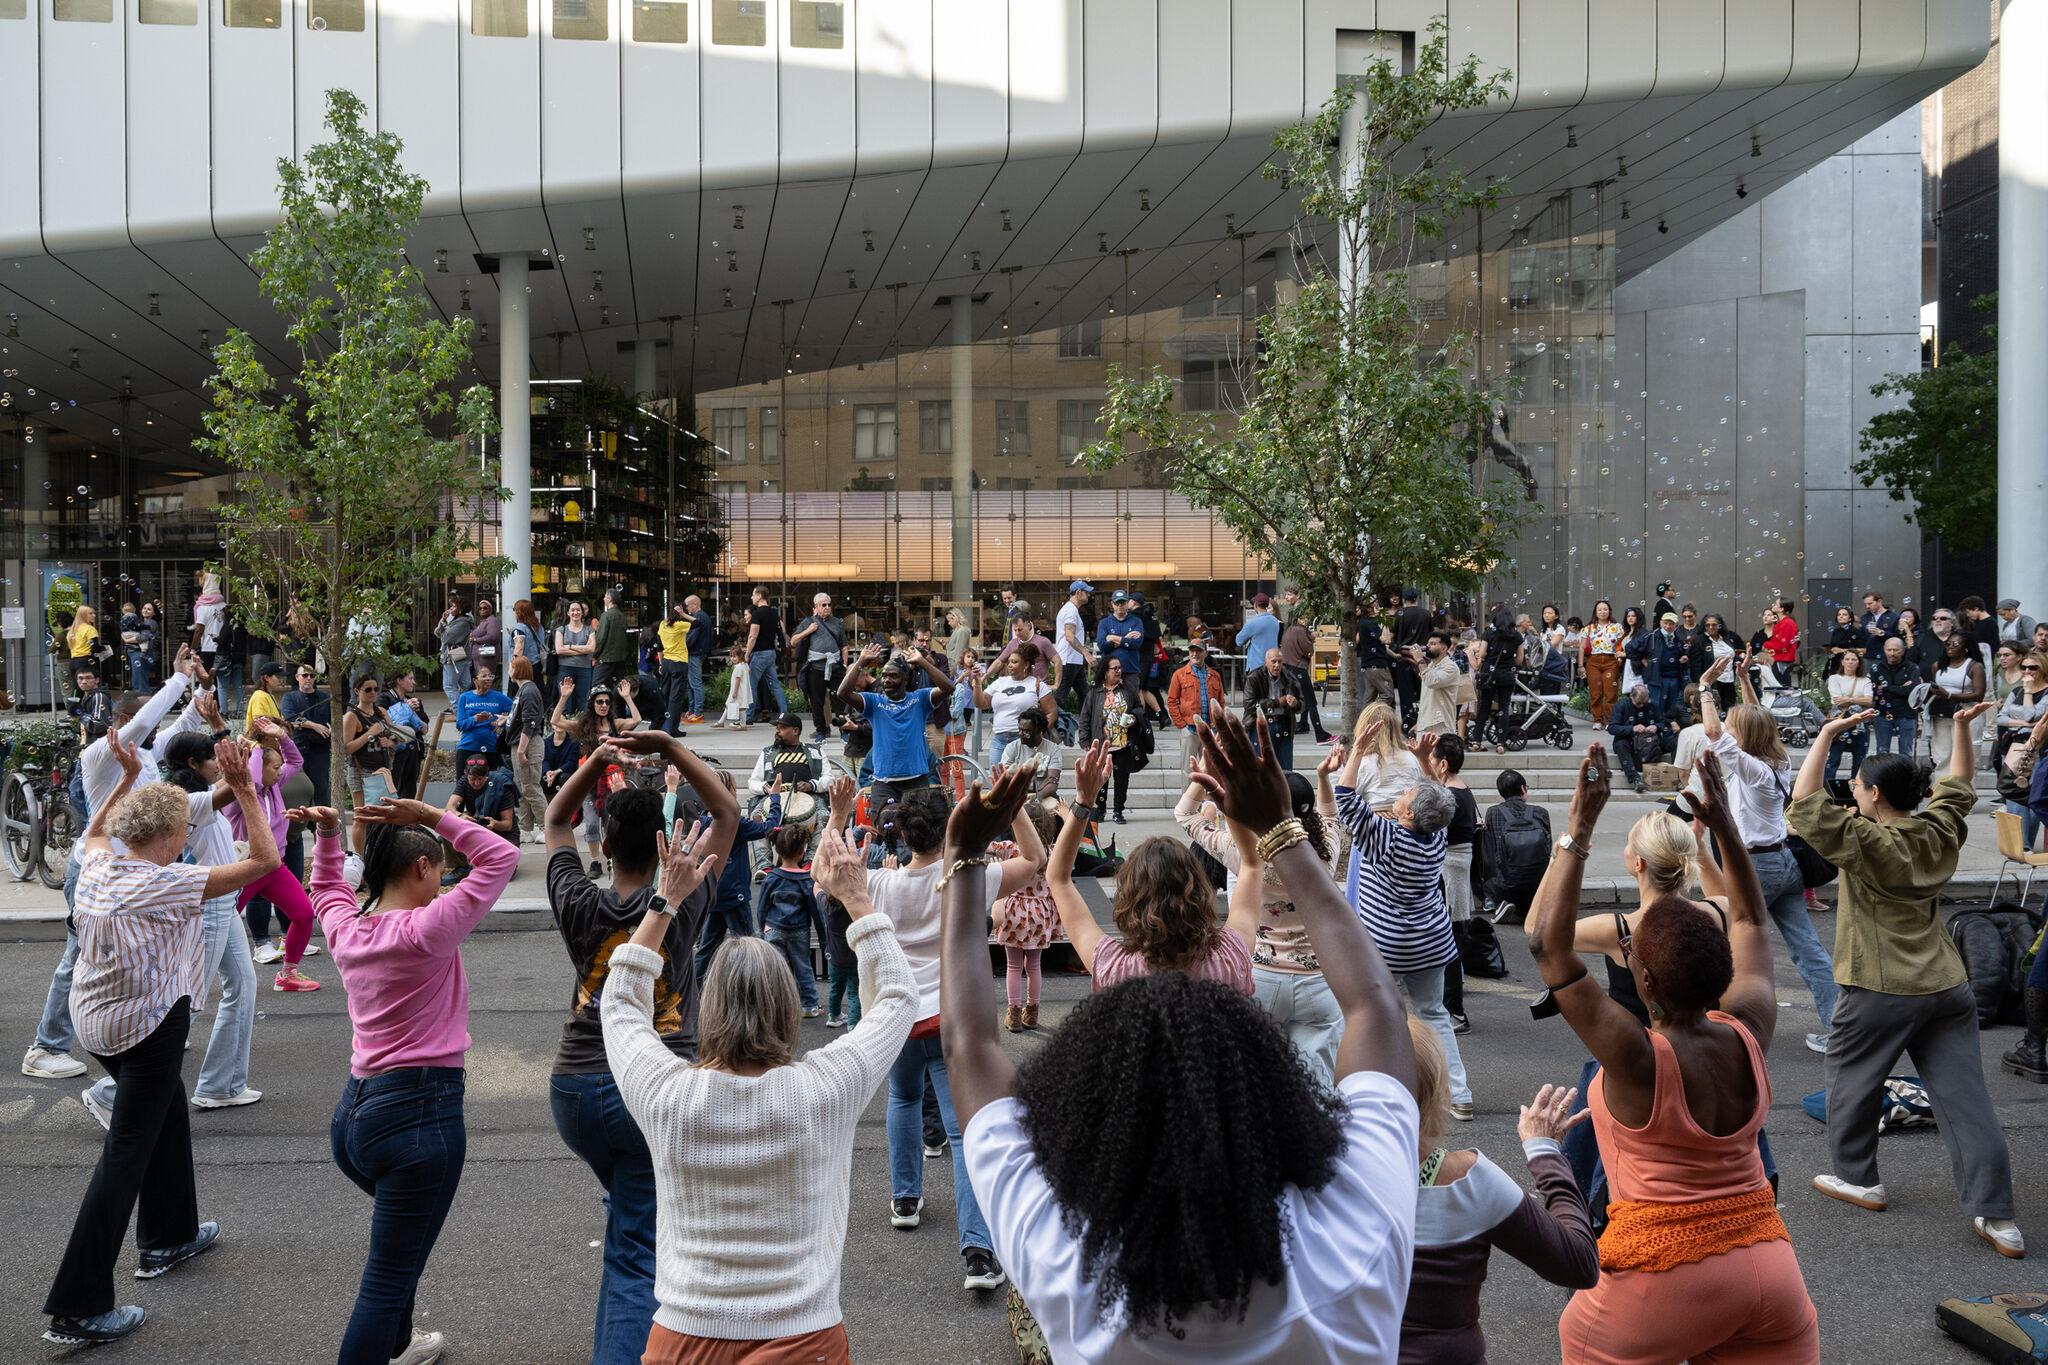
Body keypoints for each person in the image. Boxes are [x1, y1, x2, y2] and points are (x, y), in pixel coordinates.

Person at [942, 718, 1424, 1359]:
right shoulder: (1358, 1230)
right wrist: (1273, 825)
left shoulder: (1062, 1259)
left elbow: (971, 1043)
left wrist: (969, 857)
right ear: (1261, 1065)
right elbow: (1377, 1009)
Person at [1525, 744, 1819, 1361]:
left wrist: (1578, 827)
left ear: (1646, 985)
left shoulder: (1636, 1059)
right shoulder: (1749, 1030)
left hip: (1664, 1279)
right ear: (1723, 975)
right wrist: (1723, 824)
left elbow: (1547, 946)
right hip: (1770, 1271)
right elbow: (1751, 918)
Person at [600, 823, 914, 1365]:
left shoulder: (666, 1095)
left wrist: (666, 901)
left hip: (682, 1336)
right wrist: (856, 898)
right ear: (788, 1008)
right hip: (803, 1336)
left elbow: (621, 1001)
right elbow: (898, 999)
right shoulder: (824, 1088)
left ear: (710, 1006)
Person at [42, 731, 278, 1348]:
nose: (187, 840)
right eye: (183, 832)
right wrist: (248, 791)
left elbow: (96, 827)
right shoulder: (163, 880)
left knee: (168, 1112)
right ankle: (79, 1305)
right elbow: (264, 863)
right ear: (171, 839)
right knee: (126, 1154)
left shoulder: (98, 862)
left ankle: (169, 1236)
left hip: (98, 1024)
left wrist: (123, 778)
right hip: (146, 1027)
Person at [1789, 699, 2025, 1259]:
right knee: (1967, 1101)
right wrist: (1964, 728)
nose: (1854, 791)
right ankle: (1998, 1218)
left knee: (1850, 1080)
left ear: (1873, 796)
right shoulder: (1937, 830)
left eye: (1860, 786)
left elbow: (1804, 801)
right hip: (1946, 984)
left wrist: (1824, 733)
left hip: (1878, 985)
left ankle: (1858, 1177)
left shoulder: (1865, 840)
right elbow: (1960, 782)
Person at [542, 729, 736, 1365]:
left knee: (627, 1220)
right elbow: (727, 813)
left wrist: (595, 759)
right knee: (636, 1258)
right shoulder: (683, 898)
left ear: (603, 843)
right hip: (649, 1089)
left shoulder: (576, 899)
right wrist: (674, 750)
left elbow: (554, 818)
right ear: (663, 844)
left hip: (574, 1090)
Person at [309, 792, 518, 1365]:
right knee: (386, 1277)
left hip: (355, 1119)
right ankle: (385, 1345)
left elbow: (326, 891)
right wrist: (430, 816)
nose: (446, 886)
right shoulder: (429, 929)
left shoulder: (350, 931)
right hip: (419, 1120)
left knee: (399, 1259)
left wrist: (329, 837)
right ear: (422, 867)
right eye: (441, 873)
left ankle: (398, 1347)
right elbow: (500, 857)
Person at [824, 776, 1045, 1294]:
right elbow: (1035, 859)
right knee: (967, 1131)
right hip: (952, 1016)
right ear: (948, 825)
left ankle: (905, 1199)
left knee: (902, 1098)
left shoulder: (877, 883)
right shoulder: (973, 877)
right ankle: (977, 1250)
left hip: (894, 1013)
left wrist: (836, 817)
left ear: (901, 833)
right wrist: (1011, 807)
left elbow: (822, 874)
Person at [1400, 1017, 1599, 1365]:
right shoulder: (1468, 1181)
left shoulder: (1307, 1177)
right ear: (1439, 1093)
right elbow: (1578, 1264)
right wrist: (1544, 1153)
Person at [1177, 740, 1350, 1081]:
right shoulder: (1325, 853)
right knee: (1318, 1081)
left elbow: (1185, 815)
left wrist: (1204, 777)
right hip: (1318, 981)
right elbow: (1331, 816)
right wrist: (1324, 777)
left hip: (1262, 977)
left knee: (1258, 1076)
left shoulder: (1244, 855)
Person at [1697, 656, 1836, 1053]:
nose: (1726, 729)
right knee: (1808, 949)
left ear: (1742, 735)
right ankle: (1839, 1029)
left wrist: (1707, 685)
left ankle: (1718, 1027)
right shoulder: (1777, 760)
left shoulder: (1751, 769)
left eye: (1732, 727)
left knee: (1727, 943)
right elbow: (1758, 718)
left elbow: (1711, 731)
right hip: (1784, 864)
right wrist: (1743, 679)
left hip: (1756, 868)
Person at [1336, 727, 1471, 1120]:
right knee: (1434, 1015)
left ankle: (1385, 1093)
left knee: (1383, 1017)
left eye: (1406, 795)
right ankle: (1457, 1094)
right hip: (1432, 942)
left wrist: (1358, 751)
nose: (1400, 795)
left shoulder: (1387, 838)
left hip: (1385, 945)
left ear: (1409, 814)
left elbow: (1345, 799)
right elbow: (1441, 802)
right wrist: (1428, 764)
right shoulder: (1436, 835)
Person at [1054, 740, 1258, 990]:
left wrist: (1084, 803)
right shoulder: (1228, 958)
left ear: (1130, 899)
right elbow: (1251, 864)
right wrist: (1220, 792)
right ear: (1200, 893)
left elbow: (1058, 879)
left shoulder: (1113, 967)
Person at [225, 717, 322, 993]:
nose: (281, 772)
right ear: (260, 766)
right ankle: (190, 978)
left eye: (280, 767)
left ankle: (288, 974)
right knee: (222, 925)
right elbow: (253, 780)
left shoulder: (273, 788)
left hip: (273, 867)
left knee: (303, 915)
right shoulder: (241, 795)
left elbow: (296, 763)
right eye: (275, 768)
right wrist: (256, 748)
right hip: (245, 869)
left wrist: (282, 736)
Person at [836, 639, 953, 810]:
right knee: (885, 830)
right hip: (884, 783)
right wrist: (861, 661)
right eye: (884, 676)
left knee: (916, 831)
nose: (886, 680)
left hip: (916, 780)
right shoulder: (873, 702)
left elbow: (948, 687)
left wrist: (921, 661)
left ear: (905, 679)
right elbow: (843, 692)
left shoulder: (919, 699)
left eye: (893, 675)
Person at [691, 770, 782, 981]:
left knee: (707, 947)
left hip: (712, 892)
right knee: (747, 943)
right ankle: (753, 984)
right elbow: (772, 826)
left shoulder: (703, 818)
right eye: (733, 788)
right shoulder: (736, 823)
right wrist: (775, 797)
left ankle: (694, 990)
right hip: (734, 895)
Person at [992, 802, 1062, 1031]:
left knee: (1013, 965)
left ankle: (1013, 1013)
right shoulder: (1052, 852)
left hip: (1013, 910)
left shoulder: (1010, 848)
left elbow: (982, 845)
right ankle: (1032, 1012)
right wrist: (1068, 815)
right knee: (1034, 965)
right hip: (1041, 913)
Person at [759, 822, 830, 1016]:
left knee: (776, 971)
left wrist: (761, 929)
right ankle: (809, 1005)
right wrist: (824, 940)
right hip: (799, 931)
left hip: (773, 929)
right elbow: (816, 913)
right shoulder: (807, 880)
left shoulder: (771, 877)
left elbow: (762, 907)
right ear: (802, 852)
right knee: (803, 968)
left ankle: (775, 1007)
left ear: (777, 850)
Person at [1077, 657, 1148, 823]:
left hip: (1123, 743)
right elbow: (1085, 716)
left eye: (1120, 667)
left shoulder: (1127, 689)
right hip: (1101, 744)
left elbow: (1139, 708)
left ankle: (1118, 811)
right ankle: (1100, 809)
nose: (1118, 671)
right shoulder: (1094, 691)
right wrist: (1085, 740)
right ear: (1105, 672)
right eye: (1114, 668)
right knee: (1100, 780)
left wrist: (1134, 718)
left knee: (1122, 779)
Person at [971, 642, 1056, 776]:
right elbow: (981, 703)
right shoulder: (1000, 682)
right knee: (998, 783)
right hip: (998, 741)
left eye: (1014, 662)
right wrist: (977, 683)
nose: (1009, 665)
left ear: (1026, 665)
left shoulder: (1036, 684)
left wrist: (1039, 735)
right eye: (1009, 661)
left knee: (1022, 784)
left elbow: (1051, 712)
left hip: (1024, 742)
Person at [1480, 770, 1552, 925]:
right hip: (1538, 884)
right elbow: (1548, 849)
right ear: (1523, 789)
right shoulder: (1541, 812)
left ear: (1501, 793)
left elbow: (1493, 852)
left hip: (1507, 885)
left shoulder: (1493, 812)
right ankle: (1535, 907)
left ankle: (1498, 903)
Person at [340, 675, 399, 856]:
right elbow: (346, 748)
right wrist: (369, 734)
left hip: (382, 770)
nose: (373, 693)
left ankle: (381, 854)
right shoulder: (352, 716)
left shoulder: (381, 712)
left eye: (375, 689)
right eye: (368, 689)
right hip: (361, 771)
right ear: (357, 691)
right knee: (361, 817)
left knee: (386, 813)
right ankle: (361, 859)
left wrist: (390, 742)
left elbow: (395, 736)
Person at [1997, 653, 2048, 849]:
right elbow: (2001, 718)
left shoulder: (2043, 692)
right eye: (2024, 667)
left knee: (2034, 794)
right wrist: (2026, 722)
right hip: (2015, 746)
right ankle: (2019, 844)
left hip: (2039, 747)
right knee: (2013, 791)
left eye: (2032, 668)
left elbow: (2030, 714)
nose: (2027, 671)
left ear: (2042, 668)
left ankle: (2025, 843)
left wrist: (2028, 693)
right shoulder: (2015, 691)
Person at [1344, 700, 1423, 811]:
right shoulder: (1412, 758)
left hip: (1376, 821)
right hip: (1410, 819)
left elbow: (1345, 797)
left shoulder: (1363, 762)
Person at [790, 593, 849, 741]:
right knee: (817, 701)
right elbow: (793, 641)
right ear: (816, 607)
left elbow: (844, 646)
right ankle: (821, 731)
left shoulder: (836, 623)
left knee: (840, 699)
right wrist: (808, 630)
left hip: (835, 666)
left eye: (829, 605)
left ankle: (844, 731)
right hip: (815, 667)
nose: (827, 607)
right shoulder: (808, 622)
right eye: (824, 605)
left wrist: (845, 664)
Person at [505, 657, 550, 845]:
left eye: (511, 666)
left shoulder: (529, 690)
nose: (508, 670)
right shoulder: (522, 690)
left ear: (517, 670)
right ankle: (525, 829)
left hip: (527, 745)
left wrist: (522, 751)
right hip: (519, 744)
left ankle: (547, 827)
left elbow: (530, 724)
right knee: (523, 788)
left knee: (531, 787)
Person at [1929, 632, 1988, 768]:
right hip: (1942, 713)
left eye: (1955, 644)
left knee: (1967, 755)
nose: (1950, 647)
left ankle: (1965, 786)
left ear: (1966, 648)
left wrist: (1950, 695)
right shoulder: (1937, 666)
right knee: (1941, 755)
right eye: (1947, 644)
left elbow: (1979, 695)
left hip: (1966, 713)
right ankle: (1942, 786)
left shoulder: (1974, 667)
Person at [280, 662, 334, 807]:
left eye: (312, 675)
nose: (308, 678)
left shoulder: (325, 698)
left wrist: (327, 730)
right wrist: (315, 726)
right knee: (297, 793)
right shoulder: (289, 698)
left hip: (320, 752)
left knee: (321, 791)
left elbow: (334, 721)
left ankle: (322, 826)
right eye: (305, 675)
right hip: (298, 751)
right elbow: (290, 719)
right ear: (297, 677)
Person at [1606, 682, 1675, 793]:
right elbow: (1612, 728)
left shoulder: (1653, 705)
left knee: (1675, 742)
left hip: (1651, 741)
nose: (1642, 706)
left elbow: (1662, 723)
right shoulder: (1621, 706)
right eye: (1638, 703)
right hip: (1629, 740)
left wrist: (1656, 727)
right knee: (1621, 745)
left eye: (1644, 703)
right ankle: (1635, 779)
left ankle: (1680, 776)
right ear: (1631, 696)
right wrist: (1632, 729)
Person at [1471, 607, 1522, 753]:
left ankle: (1476, 741)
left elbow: (1482, 653)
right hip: (1507, 674)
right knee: (1503, 708)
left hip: (1489, 674)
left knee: (1484, 707)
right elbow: (1519, 660)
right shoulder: (1517, 636)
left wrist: (1490, 656)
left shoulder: (1488, 633)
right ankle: (1500, 743)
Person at [1244, 646, 1301, 772]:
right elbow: (1249, 706)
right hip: (1261, 723)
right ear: (1266, 662)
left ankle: (1284, 791)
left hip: (1284, 724)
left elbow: (1302, 704)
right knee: (1260, 768)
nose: (1277, 665)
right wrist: (1276, 703)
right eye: (1273, 661)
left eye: (1280, 662)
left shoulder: (1289, 678)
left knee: (1285, 770)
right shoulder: (1254, 677)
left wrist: (1295, 703)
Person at [1166, 638, 1219, 771]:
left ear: (1205, 653)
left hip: (1209, 731)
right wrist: (1181, 725)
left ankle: (1207, 793)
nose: (1195, 654)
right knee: (1188, 771)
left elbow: (1220, 702)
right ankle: (1186, 793)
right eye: (1192, 651)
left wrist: (1217, 724)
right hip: (1189, 729)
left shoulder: (1215, 675)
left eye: (1198, 651)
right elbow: (1171, 701)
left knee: (1210, 770)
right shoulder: (1179, 675)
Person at [1824, 648, 1875, 785]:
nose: (1850, 662)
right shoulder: (1834, 678)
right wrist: (1858, 699)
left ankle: (1856, 786)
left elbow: (1869, 700)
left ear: (1859, 663)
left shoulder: (1865, 680)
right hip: (1840, 719)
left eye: (1854, 659)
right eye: (1847, 659)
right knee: (1834, 757)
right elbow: (1837, 700)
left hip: (1861, 720)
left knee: (1859, 757)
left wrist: (1849, 699)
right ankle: (1827, 787)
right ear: (1842, 662)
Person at [1279, 612, 1330, 744]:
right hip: (1298, 668)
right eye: (1304, 618)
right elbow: (1309, 650)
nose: (1307, 620)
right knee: (1311, 701)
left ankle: (1302, 724)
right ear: (1299, 619)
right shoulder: (1300, 630)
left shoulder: (1288, 629)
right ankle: (1320, 734)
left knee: (1297, 699)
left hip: (1288, 668)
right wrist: (1311, 640)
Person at [746, 712, 825, 797]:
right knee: (758, 811)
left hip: (811, 798)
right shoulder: (768, 753)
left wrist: (811, 785)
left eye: (782, 728)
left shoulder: (815, 750)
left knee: (822, 811)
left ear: (795, 731)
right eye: (777, 727)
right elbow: (753, 783)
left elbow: (830, 780)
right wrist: (768, 788)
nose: (777, 731)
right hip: (773, 799)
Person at [1868, 635, 1922, 758]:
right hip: (1882, 714)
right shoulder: (1877, 668)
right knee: (1882, 752)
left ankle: (1906, 777)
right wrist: (1900, 687)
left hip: (1906, 713)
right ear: (1884, 649)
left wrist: (1885, 688)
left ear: (1903, 650)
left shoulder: (1912, 667)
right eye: (1889, 650)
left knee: (1906, 753)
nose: (1892, 653)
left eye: (1896, 650)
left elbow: (1911, 690)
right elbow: (1872, 689)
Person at [445, 754, 519, 844]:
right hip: (478, 833)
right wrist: (461, 816)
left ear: (487, 775)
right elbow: (449, 808)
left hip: (504, 837)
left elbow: (507, 824)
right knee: (448, 828)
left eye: (480, 779)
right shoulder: (464, 781)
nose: (476, 783)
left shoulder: (500, 785)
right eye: (472, 779)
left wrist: (495, 824)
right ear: (466, 774)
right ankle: (459, 858)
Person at [741, 586, 789, 723]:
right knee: (775, 685)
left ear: (760, 596)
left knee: (752, 686)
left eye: (753, 595)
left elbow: (752, 636)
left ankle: (748, 718)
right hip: (771, 653)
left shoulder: (757, 614)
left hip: (759, 653)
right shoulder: (774, 612)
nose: (751, 597)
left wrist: (747, 653)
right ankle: (784, 714)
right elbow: (782, 631)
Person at [454, 664, 514, 767]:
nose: (488, 679)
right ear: (475, 680)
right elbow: (459, 725)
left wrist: (505, 721)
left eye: (490, 676)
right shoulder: (465, 697)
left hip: (491, 747)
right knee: (463, 782)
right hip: (467, 747)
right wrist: (474, 719)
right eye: (484, 676)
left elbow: (519, 710)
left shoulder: (498, 696)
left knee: (491, 781)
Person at [1053, 580, 1095, 720]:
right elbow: (1069, 636)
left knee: (1084, 694)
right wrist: (1086, 653)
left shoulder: (1072, 610)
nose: (1088, 595)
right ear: (1078, 593)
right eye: (1086, 592)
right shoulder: (1070, 611)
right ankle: (1045, 725)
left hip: (1073, 661)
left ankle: (1085, 724)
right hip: (1068, 660)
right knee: (1060, 696)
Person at [997, 709, 1062, 799]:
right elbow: (1007, 781)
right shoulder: (1011, 747)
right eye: (1020, 729)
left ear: (1039, 730)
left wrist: (1038, 796)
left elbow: (1053, 783)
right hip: (1016, 794)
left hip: (1044, 794)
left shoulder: (1053, 748)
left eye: (1026, 731)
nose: (1021, 734)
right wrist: (1038, 787)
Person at [1413, 631, 1462, 736]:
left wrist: (1420, 660)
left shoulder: (1451, 667)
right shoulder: (1430, 666)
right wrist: (1420, 722)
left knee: (1439, 753)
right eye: (1428, 643)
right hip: (1425, 724)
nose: (1427, 646)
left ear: (1444, 649)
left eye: (1433, 644)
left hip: (1441, 725)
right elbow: (1427, 699)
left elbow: (1432, 682)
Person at [655, 604, 694, 735]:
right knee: (675, 698)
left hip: (666, 663)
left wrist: (661, 664)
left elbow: (660, 645)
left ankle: (662, 726)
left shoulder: (662, 624)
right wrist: (684, 615)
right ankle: (673, 729)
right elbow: (699, 623)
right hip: (679, 663)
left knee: (665, 695)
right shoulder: (679, 625)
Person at [1583, 600, 1624, 724]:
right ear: (1595, 612)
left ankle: (1610, 721)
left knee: (1611, 693)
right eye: (1599, 609)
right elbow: (1582, 647)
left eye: (1605, 609)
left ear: (1609, 611)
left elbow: (1623, 643)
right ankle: (1597, 720)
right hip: (1593, 661)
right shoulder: (1588, 628)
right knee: (1595, 692)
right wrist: (1580, 665)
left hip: (1610, 660)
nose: (1602, 612)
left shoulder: (1617, 627)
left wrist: (1621, 656)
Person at [556, 599, 597, 715]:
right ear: (568, 613)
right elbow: (559, 650)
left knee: (583, 702)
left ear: (582, 612)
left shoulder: (589, 630)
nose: (575, 612)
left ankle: (581, 729)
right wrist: (583, 649)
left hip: (585, 670)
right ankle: (564, 730)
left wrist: (569, 646)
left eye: (578, 610)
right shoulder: (561, 630)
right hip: (565, 669)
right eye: (572, 610)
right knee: (565, 702)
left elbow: (591, 649)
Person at [1096, 590, 1146, 683]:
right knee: (1111, 698)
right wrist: (1126, 638)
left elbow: (1136, 643)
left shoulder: (1136, 621)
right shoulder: (1104, 623)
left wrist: (1113, 638)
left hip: (1131, 671)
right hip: (1110, 671)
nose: (1120, 605)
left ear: (1127, 603)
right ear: (1112, 604)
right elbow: (1102, 646)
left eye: (1122, 602)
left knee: (1131, 698)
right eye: (1117, 602)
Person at [594, 587, 639, 692]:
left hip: (606, 657)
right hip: (620, 658)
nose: (604, 599)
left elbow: (600, 638)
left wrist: (594, 655)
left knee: (597, 685)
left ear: (610, 599)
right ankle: (617, 707)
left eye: (605, 597)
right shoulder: (622, 615)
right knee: (616, 686)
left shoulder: (606, 615)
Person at [1234, 591, 1282, 687]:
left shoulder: (1252, 623)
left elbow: (1238, 641)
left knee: (1255, 697)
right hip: (1273, 665)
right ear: (1267, 604)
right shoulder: (1275, 621)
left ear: (1255, 605)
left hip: (1256, 666)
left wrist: (1249, 638)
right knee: (1270, 694)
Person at [680, 594, 713, 723]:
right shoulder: (703, 616)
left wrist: (683, 647)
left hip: (694, 653)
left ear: (695, 604)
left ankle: (697, 712)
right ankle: (692, 711)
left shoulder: (698, 617)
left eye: (687, 605)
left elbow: (691, 638)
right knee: (692, 684)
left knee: (694, 684)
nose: (686, 608)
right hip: (698, 653)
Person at [435, 596, 474, 699]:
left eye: (453, 606)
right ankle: (467, 708)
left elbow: (446, 638)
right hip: (460, 655)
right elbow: (449, 631)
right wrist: (444, 622)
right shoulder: (460, 621)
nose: (450, 608)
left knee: (449, 686)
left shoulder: (462, 622)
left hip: (455, 656)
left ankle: (457, 710)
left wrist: (443, 624)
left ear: (460, 609)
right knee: (465, 686)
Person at [69, 665, 113, 743]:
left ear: (97, 680)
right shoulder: (86, 696)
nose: (84, 681)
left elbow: (99, 725)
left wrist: (80, 714)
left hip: (99, 745)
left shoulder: (98, 696)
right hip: (89, 743)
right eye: (80, 678)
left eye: (88, 678)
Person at [715, 640, 753, 728]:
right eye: (731, 656)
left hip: (738, 690)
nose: (732, 659)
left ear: (740, 656)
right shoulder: (744, 665)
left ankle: (742, 725)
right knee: (731, 704)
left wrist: (735, 692)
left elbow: (737, 680)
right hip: (742, 689)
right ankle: (721, 722)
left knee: (741, 707)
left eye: (735, 656)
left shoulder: (738, 668)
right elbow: (749, 671)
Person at [1825, 604, 1862, 675]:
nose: (1841, 616)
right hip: (1835, 662)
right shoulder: (1836, 631)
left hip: (1848, 664)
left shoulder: (1855, 631)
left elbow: (1863, 650)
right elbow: (1834, 646)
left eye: (1844, 614)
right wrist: (1830, 649)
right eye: (1839, 614)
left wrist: (1842, 650)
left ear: (1850, 618)